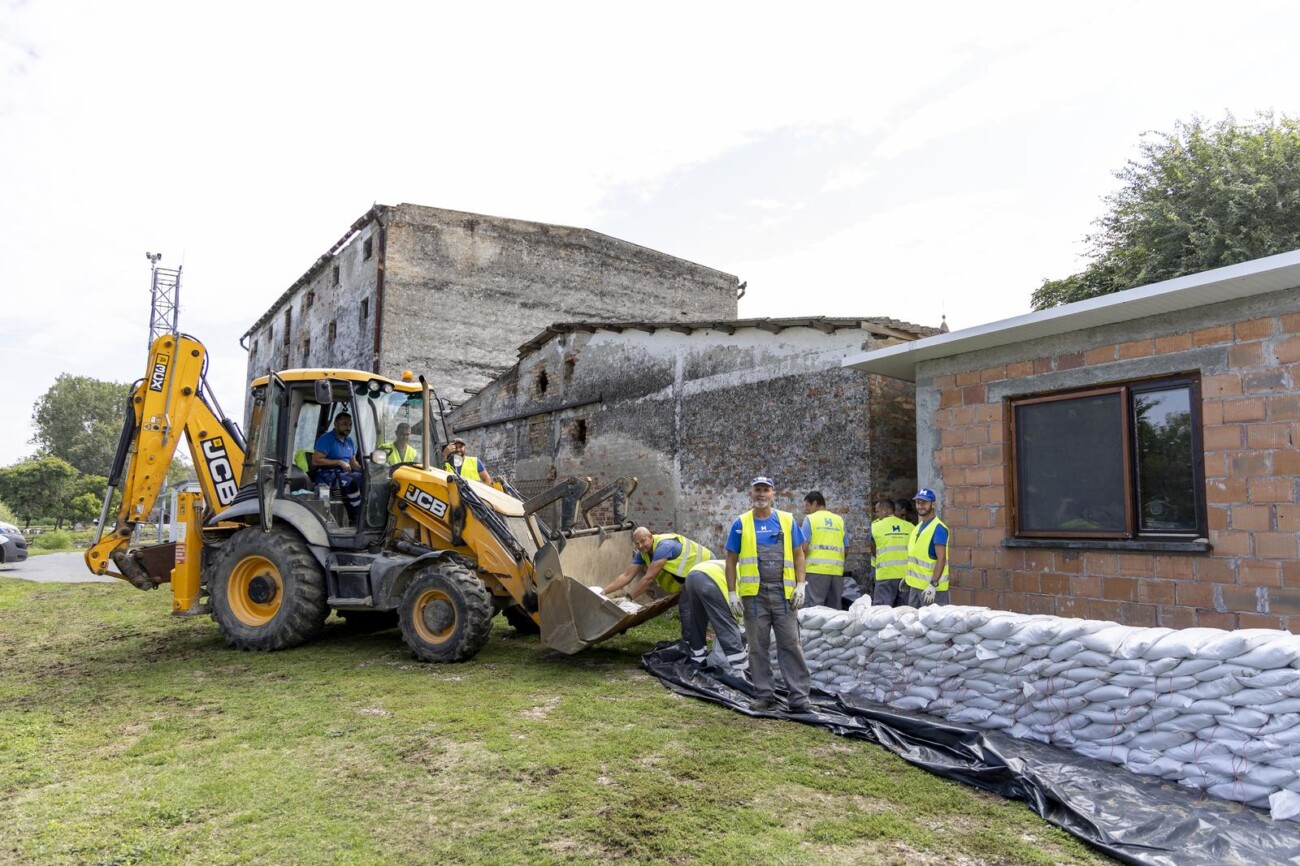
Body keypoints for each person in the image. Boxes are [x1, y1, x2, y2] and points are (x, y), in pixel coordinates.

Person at [725, 476, 811, 713]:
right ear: (750, 494)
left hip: (784, 595)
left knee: (791, 644)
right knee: (757, 647)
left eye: (766, 490)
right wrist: (732, 593)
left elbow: (799, 554)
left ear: (773, 494)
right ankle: (764, 695)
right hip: (755, 596)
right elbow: (731, 560)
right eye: (757, 490)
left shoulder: (786, 520)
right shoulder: (741, 523)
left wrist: (801, 585)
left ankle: (799, 698)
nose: (761, 494)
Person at [602, 527, 713, 601]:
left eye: (643, 541)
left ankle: (695, 632)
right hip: (692, 574)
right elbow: (627, 576)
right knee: (690, 607)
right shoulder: (643, 553)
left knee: (688, 606)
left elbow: (649, 578)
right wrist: (603, 592)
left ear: (651, 536)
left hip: (706, 566)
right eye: (637, 543)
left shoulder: (664, 547)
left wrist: (628, 598)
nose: (640, 546)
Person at [678, 559, 748, 671]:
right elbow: (738, 612)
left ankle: (697, 661)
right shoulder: (750, 580)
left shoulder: (741, 568)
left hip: (692, 576)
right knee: (725, 626)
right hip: (710, 580)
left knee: (697, 622)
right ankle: (741, 668)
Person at [903, 488, 950, 607]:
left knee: (934, 619)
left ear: (933, 504)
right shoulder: (918, 527)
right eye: (918, 503)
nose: (920, 506)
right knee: (913, 618)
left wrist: (933, 584)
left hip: (931, 589)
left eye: (924, 503)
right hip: (915, 586)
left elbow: (941, 559)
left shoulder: (938, 528)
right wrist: (908, 577)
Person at [311, 412, 363, 519]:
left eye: (350, 425)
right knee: (352, 483)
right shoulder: (326, 439)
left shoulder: (349, 441)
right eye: (344, 424)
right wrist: (339, 462)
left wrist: (367, 470)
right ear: (335, 424)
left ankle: (364, 510)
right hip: (327, 475)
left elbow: (353, 464)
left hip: (345, 473)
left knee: (366, 479)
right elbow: (315, 461)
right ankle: (356, 516)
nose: (348, 427)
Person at [800, 491, 846, 609]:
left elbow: (804, 547)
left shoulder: (810, 519)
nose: (807, 510)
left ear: (815, 503)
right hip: (836, 572)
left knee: (813, 608)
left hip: (815, 571)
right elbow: (846, 548)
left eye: (807, 506)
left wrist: (800, 569)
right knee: (835, 610)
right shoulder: (839, 520)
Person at [867, 498, 914, 607]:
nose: (877, 514)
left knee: (882, 611)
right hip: (906, 576)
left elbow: (873, 549)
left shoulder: (875, 526)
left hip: (885, 575)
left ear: (885, 511)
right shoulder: (910, 527)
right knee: (904, 611)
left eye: (878, 511)